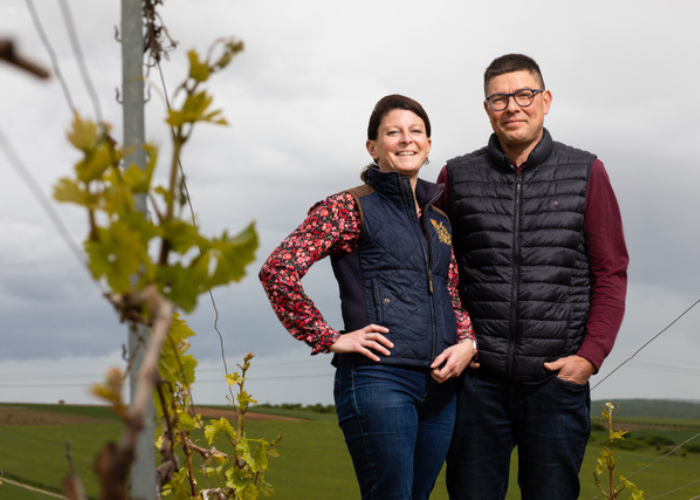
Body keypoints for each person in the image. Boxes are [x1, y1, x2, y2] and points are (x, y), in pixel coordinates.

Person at [260, 94, 477, 499]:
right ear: (373, 147)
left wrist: (467, 341)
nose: (406, 139)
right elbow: (279, 269)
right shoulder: (347, 207)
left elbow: (450, 292)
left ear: (428, 144)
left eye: (416, 131)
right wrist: (327, 337)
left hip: (440, 386)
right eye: (393, 132)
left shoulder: (439, 219)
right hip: (379, 380)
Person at [437, 54, 629, 499]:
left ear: (545, 100)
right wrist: (457, 342)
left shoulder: (586, 171)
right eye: (499, 98)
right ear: (487, 108)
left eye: (524, 95)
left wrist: (590, 356)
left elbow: (610, 270)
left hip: (555, 382)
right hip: (477, 383)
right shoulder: (457, 176)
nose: (513, 107)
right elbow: (437, 271)